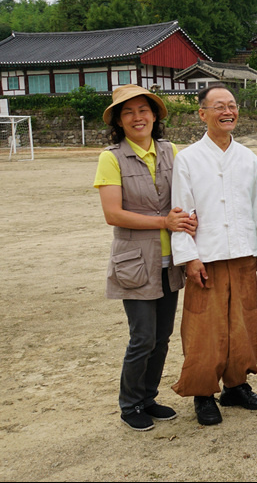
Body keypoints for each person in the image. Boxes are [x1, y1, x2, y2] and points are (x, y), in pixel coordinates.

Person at [94, 85, 197, 431]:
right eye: (128, 113)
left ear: (154, 116)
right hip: (135, 262)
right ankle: (129, 404)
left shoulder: (172, 151)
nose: (138, 118)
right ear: (119, 122)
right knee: (142, 337)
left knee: (163, 335)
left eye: (144, 111)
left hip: (170, 261)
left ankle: (148, 398)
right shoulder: (111, 157)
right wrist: (163, 221)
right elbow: (113, 214)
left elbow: (185, 199)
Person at [170, 84, 257, 426]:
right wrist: (189, 258)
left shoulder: (247, 158)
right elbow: (180, 213)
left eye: (232, 105)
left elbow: (256, 207)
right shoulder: (187, 159)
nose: (228, 112)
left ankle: (237, 385)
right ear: (202, 113)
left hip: (243, 253)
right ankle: (203, 393)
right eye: (219, 107)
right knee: (204, 327)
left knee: (243, 323)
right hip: (206, 256)